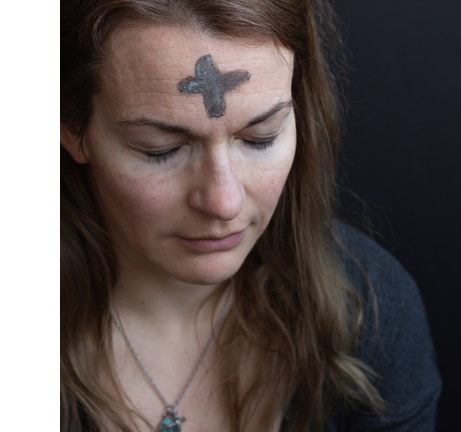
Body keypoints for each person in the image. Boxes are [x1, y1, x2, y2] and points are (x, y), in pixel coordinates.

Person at [59, 0, 441, 431]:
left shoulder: (371, 313)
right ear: (71, 126)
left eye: (261, 138)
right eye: (160, 149)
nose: (225, 203)